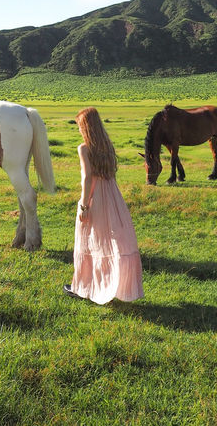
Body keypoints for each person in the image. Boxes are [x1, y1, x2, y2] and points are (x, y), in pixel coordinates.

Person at [64, 107, 144, 304]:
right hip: (112, 196)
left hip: (96, 197)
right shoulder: (108, 147)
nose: (78, 130)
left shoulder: (84, 148)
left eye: (79, 126)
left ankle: (84, 286)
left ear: (86, 127)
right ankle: (112, 285)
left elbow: (87, 178)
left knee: (89, 239)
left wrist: (84, 205)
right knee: (111, 240)